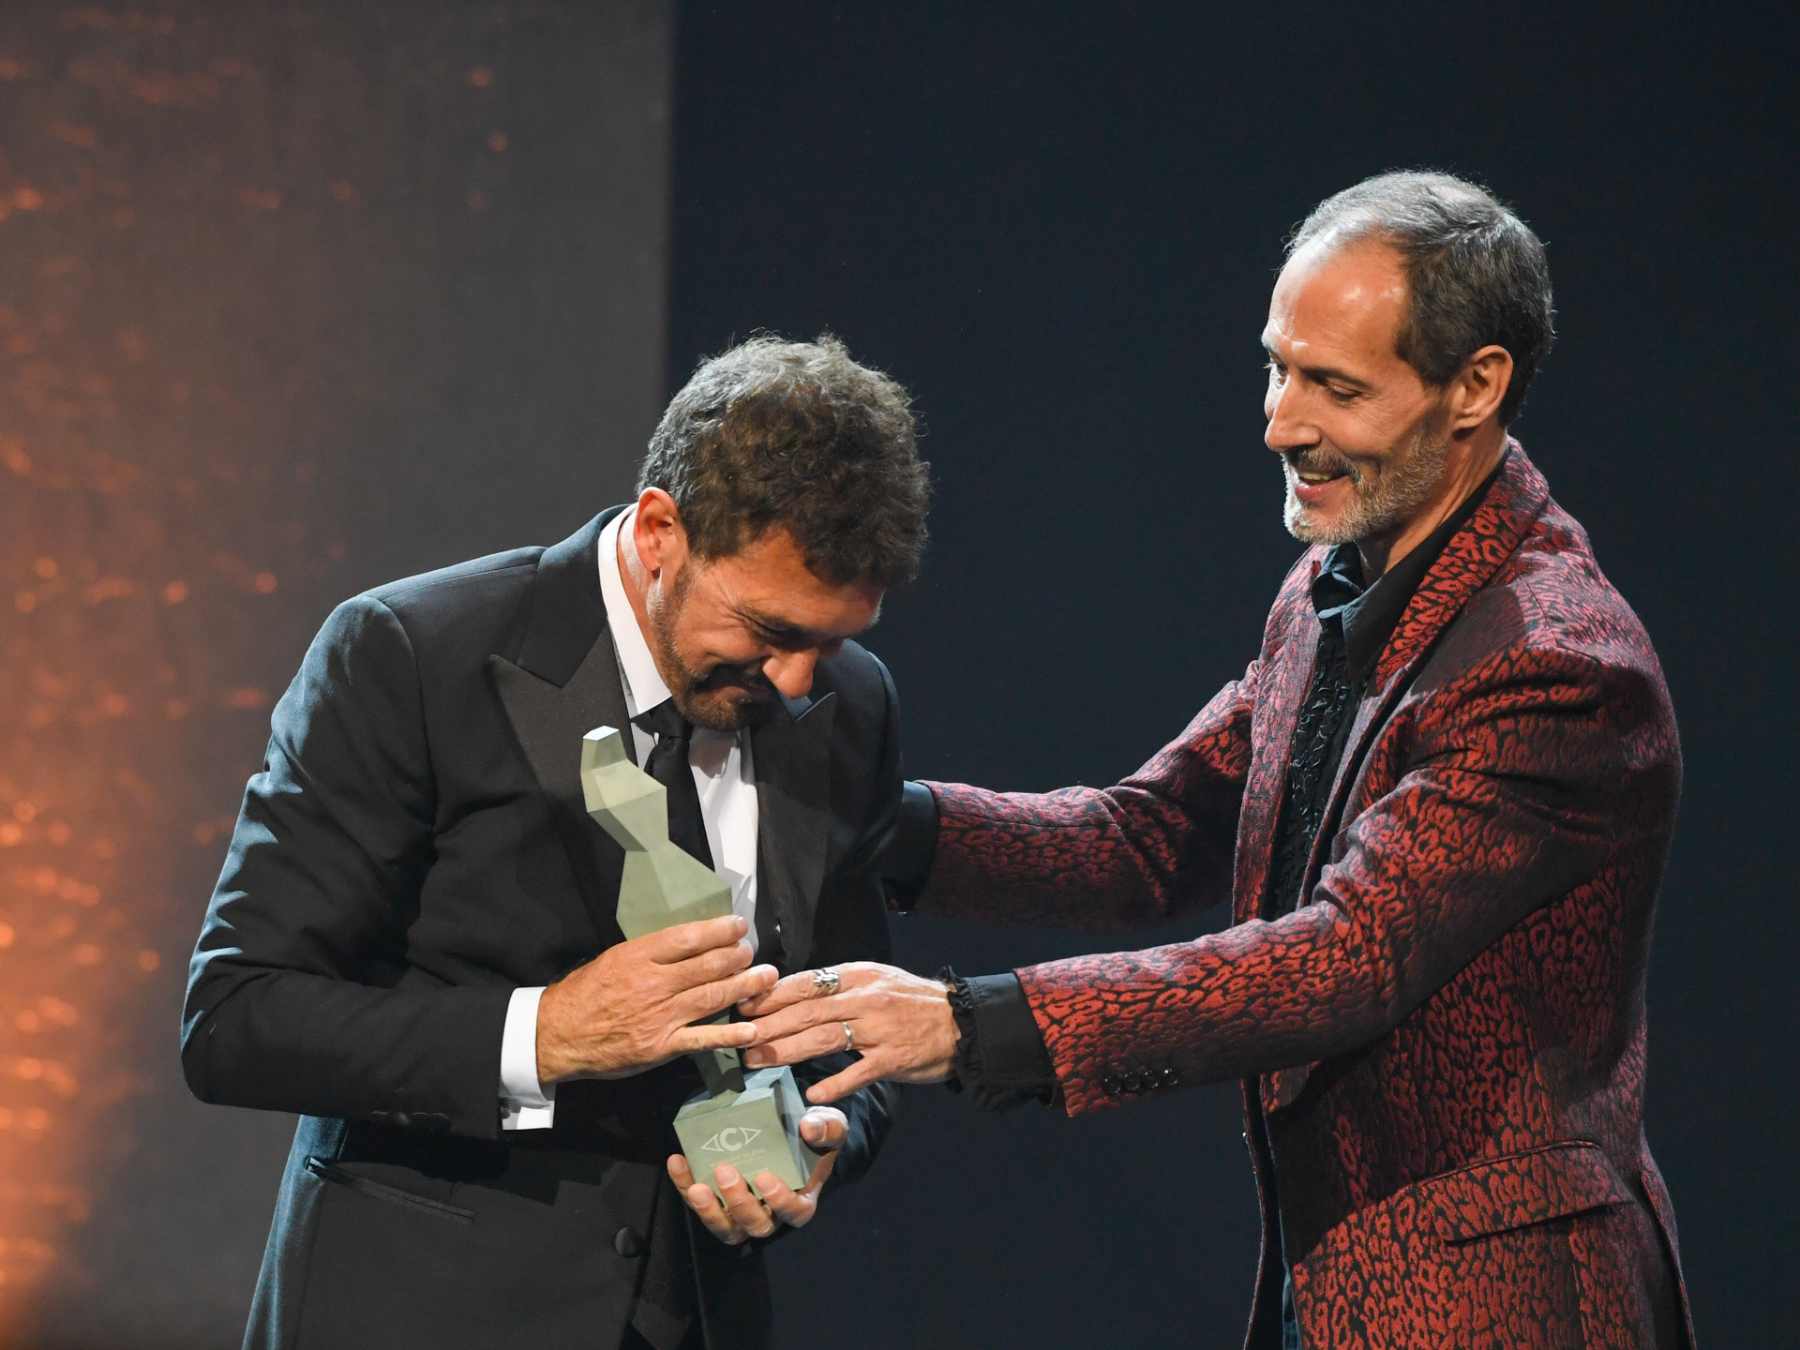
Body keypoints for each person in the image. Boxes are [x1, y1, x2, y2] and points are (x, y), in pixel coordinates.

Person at [743, 173, 1695, 1348]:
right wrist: (855, 818)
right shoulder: (1331, 588)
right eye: (1277, 368)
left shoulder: (1553, 666)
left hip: (1498, 1305)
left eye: (1334, 387)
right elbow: (1148, 836)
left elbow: (1347, 958)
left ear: (1476, 387)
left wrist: (964, 1024)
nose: (1281, 424)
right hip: (1337, 1280)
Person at [181, 335, 929, 1350]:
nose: (797, 683)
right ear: (662, 529)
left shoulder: (852, 705)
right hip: (420, 1313)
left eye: (830, 642)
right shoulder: (410, 654)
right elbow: (236, 1018)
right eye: (769, 631)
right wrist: (545, 1035)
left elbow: (852, 1005)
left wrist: (827, 1134)